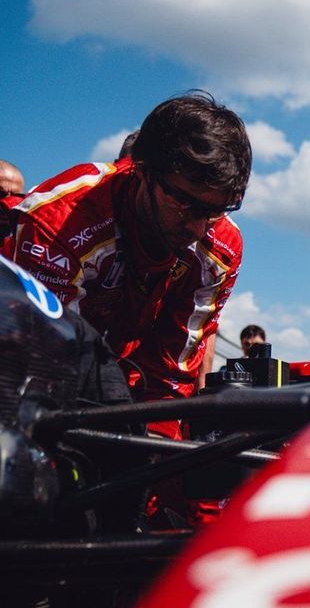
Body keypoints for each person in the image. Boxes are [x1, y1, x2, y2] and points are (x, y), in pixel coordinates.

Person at [3, 92, 251, 440]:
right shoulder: (58, 221)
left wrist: (156, 462)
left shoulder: (220, 246)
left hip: (121, 374)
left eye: (214, 210)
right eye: (183, 202)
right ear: (142, 172)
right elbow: (44, 367)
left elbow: (170, 376)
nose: (196, 228)